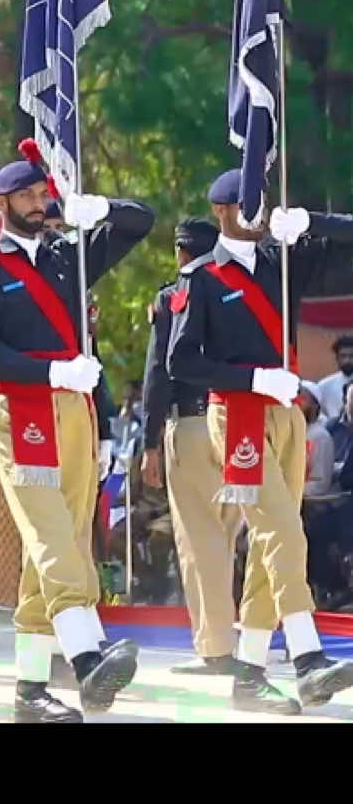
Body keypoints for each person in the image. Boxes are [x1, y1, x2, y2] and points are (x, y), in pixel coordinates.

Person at [0, 142, 155, 724]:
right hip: (21, 407)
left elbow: (139, 223)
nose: (39, 204)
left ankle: (30, 690)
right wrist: (50, 369)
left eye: (43, 194)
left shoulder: (71, 256)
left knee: (57, 539)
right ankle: (87, 653)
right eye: (28, 195)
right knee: (48, 531)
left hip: (72, 408)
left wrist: (97, 207)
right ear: (1, 202)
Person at [167, 170, 353, 711]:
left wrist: (308, 221)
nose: (258, 215)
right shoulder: (201, 278)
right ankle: (307, 656)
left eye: (263, 205)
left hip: (286, 415)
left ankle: (248, 676)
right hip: (239, 415)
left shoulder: (281, 264)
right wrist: (249, 378)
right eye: (248, 206)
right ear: (221, 210)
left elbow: (347, 232)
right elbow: (182, 361)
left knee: (276, 546)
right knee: (283, 535)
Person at [140, 217, 247, 676]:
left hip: (194, 422)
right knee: (231, 534)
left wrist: (149, 444)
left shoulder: (176, 295)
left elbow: (158, 372)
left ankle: (215, 648)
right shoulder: (244, 288)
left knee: (199, 540)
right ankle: (248, 636)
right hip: (243, 421)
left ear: (181, 252)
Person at [313, 334, 353, 425]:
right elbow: (317, 412)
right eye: (343, 356)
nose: (347, 360)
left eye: (351, 356)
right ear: (337, 358)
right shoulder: (324, 385)